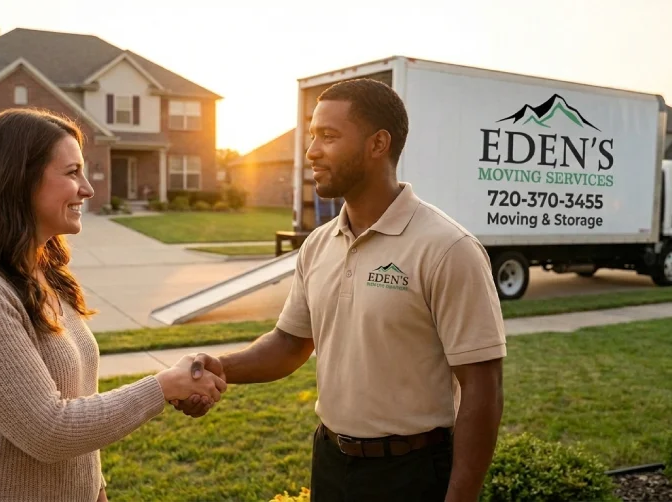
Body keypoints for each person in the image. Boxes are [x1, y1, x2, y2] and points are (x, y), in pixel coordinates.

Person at [173, 78, 506, 501]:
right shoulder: (318, 244)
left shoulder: (447, 248)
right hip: (331, 462)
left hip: (412, 473)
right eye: (313, 136)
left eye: (328, 137)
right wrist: (220, 366)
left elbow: (483, 385)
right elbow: (290, 344)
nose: (311, 151)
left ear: (377, 144)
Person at [0, 108, 226, 502]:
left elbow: (77, 408)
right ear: (17, 180)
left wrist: (96, 491)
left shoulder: (40, 272)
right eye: (72, 173)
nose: (88, 189)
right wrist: (164, 386)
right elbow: (48, 431)